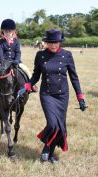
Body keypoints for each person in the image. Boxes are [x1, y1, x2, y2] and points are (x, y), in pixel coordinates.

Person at [20, 29, 87, 164]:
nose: (53, 45)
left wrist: (80, 97)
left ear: (60, 42)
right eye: (50, 42)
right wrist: (27, 86)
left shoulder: (67, 55)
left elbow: (74, 78)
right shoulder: (40, 55)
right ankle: (46, 145)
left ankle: (50, 154)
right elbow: (36, 75)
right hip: (47, 94)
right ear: (46, 42)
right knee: (52, 124)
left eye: (56, 42)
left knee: (60, 126)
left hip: (63, 95)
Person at [0, 18, 31, 93]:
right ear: (3, 31)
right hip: (3, 62)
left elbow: (18, 52)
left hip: (15, 61)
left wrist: (17, 60)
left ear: (13, 31)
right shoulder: (0, 41)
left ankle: (31, 85)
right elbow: (0, 52)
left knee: (26, 69)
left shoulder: (17, 41)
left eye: (9, 31)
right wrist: (2, 61)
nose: (8, 33)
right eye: (6, 31)